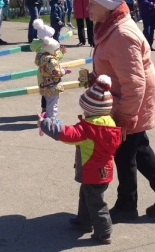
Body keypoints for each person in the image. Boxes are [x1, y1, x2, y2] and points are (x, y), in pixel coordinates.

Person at [82, 0, 155, 222]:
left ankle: (127, 206)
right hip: (126, 99)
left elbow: (134, 82)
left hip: (131, 101)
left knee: (125, 154)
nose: (88, 9)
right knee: (138, 149)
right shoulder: (110, 26)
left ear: (107, 8)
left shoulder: (121, 35)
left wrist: (126, 117)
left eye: (92, 4)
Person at [37, 75, 122, 245]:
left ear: (90, 109)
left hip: (91, 171)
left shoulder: (89, 128)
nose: (84, 112)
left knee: (96, 202)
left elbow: (68, 134)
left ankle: (104, 232)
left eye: (85, 109)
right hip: (104, 170)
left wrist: (45, 124)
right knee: (87, 195)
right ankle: (83, 221)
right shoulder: (110, 123)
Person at [31, 19, 65, 114]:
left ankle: (44, 109)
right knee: (51, 93)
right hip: (50, 74)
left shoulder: (37, 45)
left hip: (41, 72)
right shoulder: (49, 46)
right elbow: (56, 58)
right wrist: (61, 53)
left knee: (44, 91)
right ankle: (49, 113)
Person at [35, 37, 71, 118]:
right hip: (52, 86)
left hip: (44, 84)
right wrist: (64, 71)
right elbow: (56, 72)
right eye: (56, 50)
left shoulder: (42, 58)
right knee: (53, 104)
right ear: (52, 51)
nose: (57, 52)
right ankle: (51, 121)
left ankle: (47, 118)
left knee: (48, 102)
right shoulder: (52, 61)